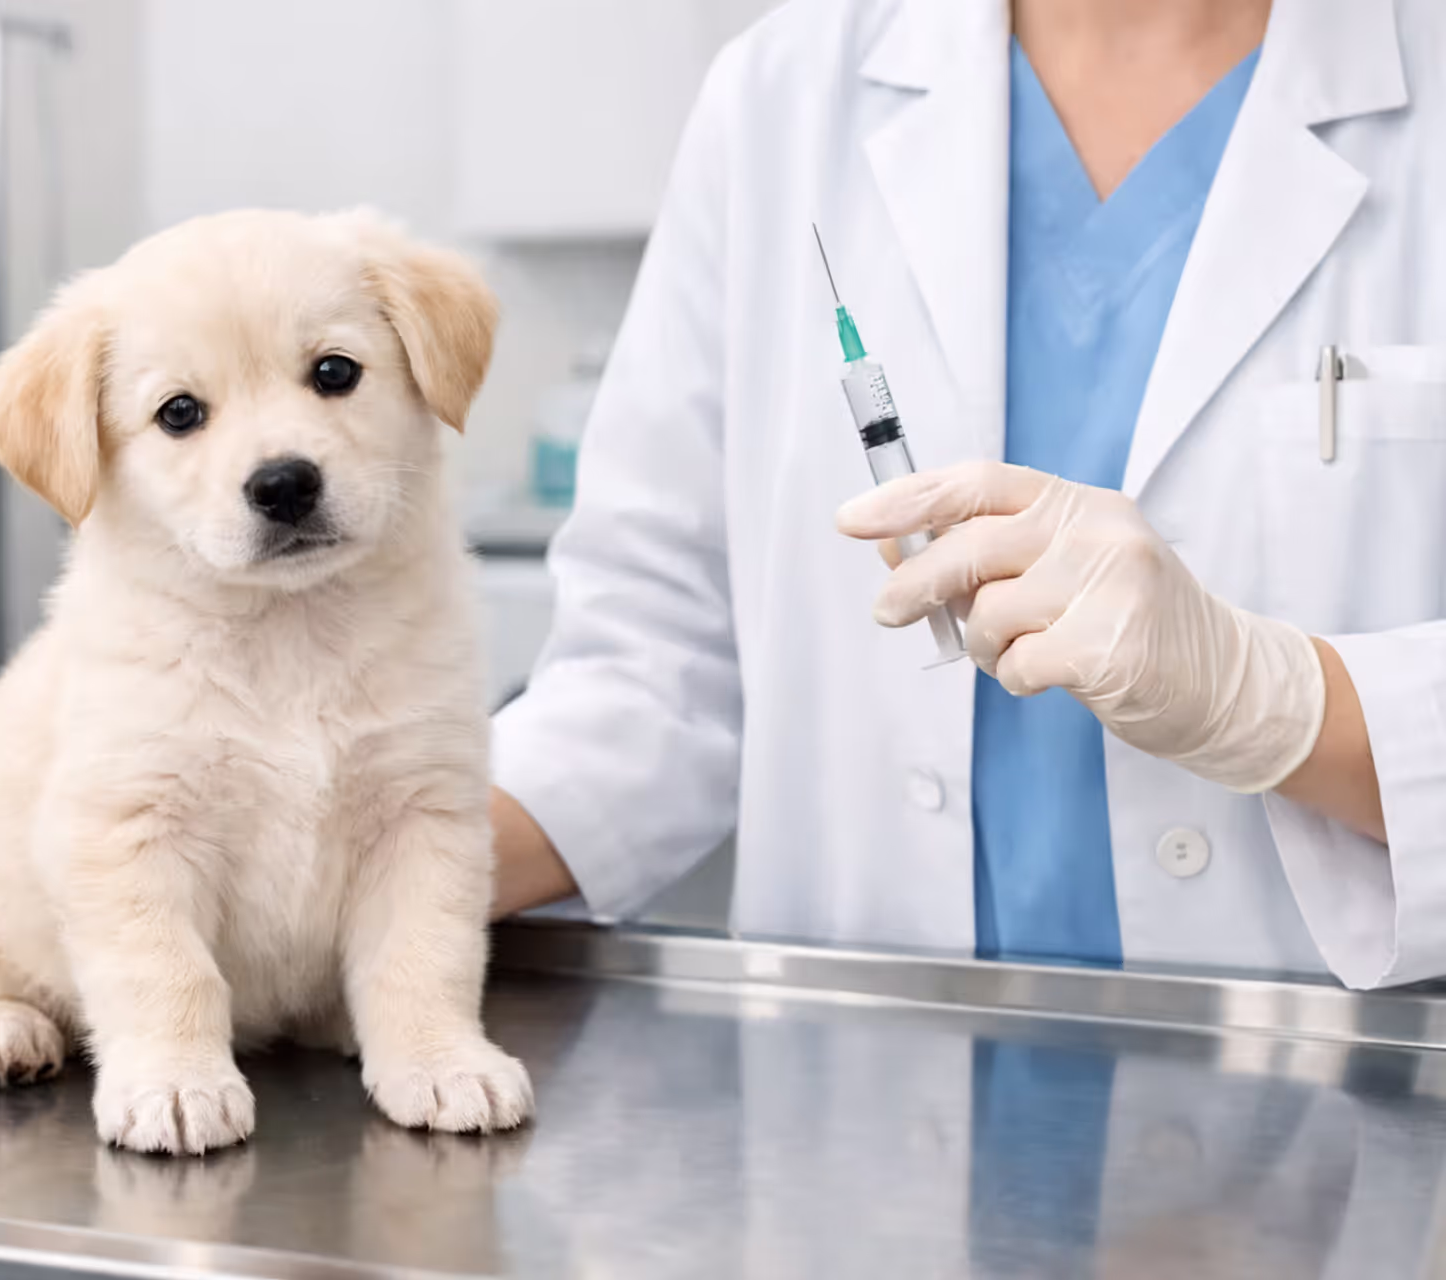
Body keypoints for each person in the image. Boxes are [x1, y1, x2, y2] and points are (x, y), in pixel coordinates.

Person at [488, 0, 1446, 989]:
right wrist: (384, 869)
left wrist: (1277, 698)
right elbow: (651, 673)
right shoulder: (784, 91)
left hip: (1336, 1088)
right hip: (863, 1077)